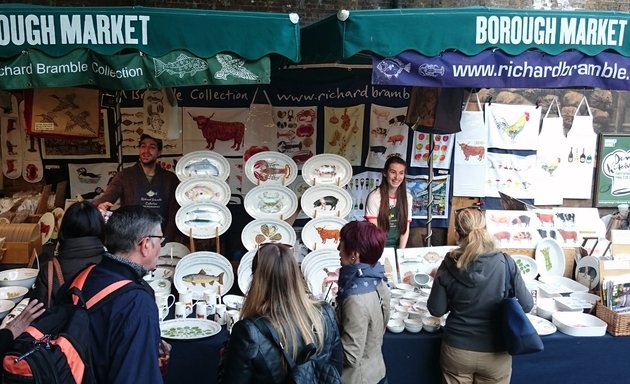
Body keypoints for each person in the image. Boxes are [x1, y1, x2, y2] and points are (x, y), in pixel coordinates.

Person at [427, 206, 533, 384]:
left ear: (457, 234)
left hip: (457, 350)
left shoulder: (448, 263)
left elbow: (436, 310)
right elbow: (527, 305)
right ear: (485, 231)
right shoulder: (506, 263)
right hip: (496, 352)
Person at [71, 205, 168, 383]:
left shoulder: (85, 275)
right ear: (146, 244)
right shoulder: (137, 303)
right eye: (160, 240)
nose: (160, 247)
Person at [220, 242, 343, 383]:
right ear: (295, 275)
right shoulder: (325, 314)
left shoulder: (248, 332)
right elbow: (334, 372)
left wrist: (225, 362)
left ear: (256, 279)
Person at [92, 134, 180, 241]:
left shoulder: (170, 179)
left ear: (159, 152)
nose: (146, 151)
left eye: (152, 147)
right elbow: (107, 197)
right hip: (131, 239)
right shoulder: (125, 175)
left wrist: (166, 239)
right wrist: (99, 206)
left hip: (158, 238)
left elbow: (174, 213)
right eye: (143, 146)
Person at [336, 221, 391, 384]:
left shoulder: (354, 298)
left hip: (358, 379)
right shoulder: (379, 280)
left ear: (354, 255)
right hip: (377, 371)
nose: (338, 249)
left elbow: (350, 357)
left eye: (341, 244)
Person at [31, 201, 106, 308]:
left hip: (64, 324)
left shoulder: (49, 270)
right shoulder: (113, 265)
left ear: (64, 229)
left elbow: (36, 315)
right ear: (100, 227)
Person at [364, 156, 412, 248]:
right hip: (377, 246)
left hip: (398, 246)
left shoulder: (408, 197)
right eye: (393, 172)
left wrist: (400, 252)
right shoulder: (374, 197)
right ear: (385, 173)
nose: (397, 177)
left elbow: (405, 228)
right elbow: (375, 231)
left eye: (401, 173)